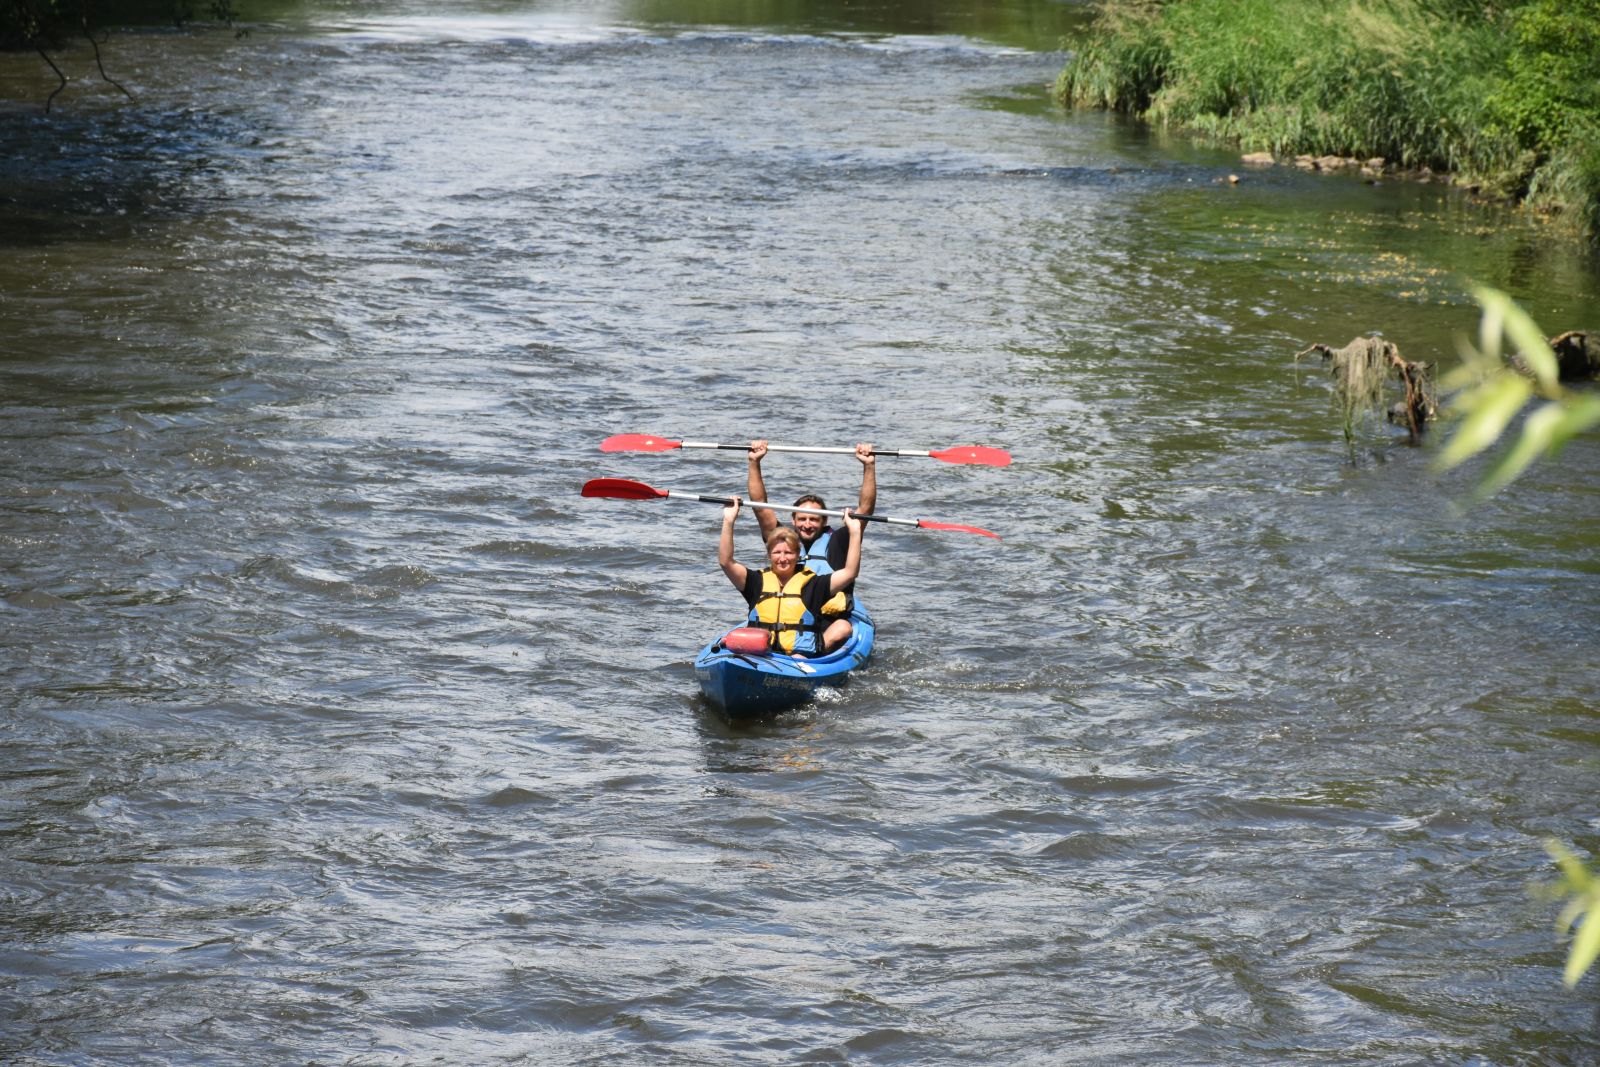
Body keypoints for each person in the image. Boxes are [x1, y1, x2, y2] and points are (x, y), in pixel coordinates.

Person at [746, 439, 875, 619]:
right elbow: (760, 506)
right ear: (793, 519)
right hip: (787, 612)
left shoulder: (839, 541)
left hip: (827, 616)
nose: (807, 525)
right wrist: (754, 462)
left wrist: (869, 466)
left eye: (813, 519)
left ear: (824, 520)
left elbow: (865, 509)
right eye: (802, 519)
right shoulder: (781, 538)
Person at [719, 496, 863, 656]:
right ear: (769, 555)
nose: (782, 558)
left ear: (797, 554)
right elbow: (726, 562)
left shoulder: (813, 584)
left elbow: (850, 572)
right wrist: (729, 520)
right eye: (777, 552)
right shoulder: (755, 581)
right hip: (759, 653)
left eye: (788, 553)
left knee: (800, 655)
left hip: (797, 657)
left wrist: (855, 531)